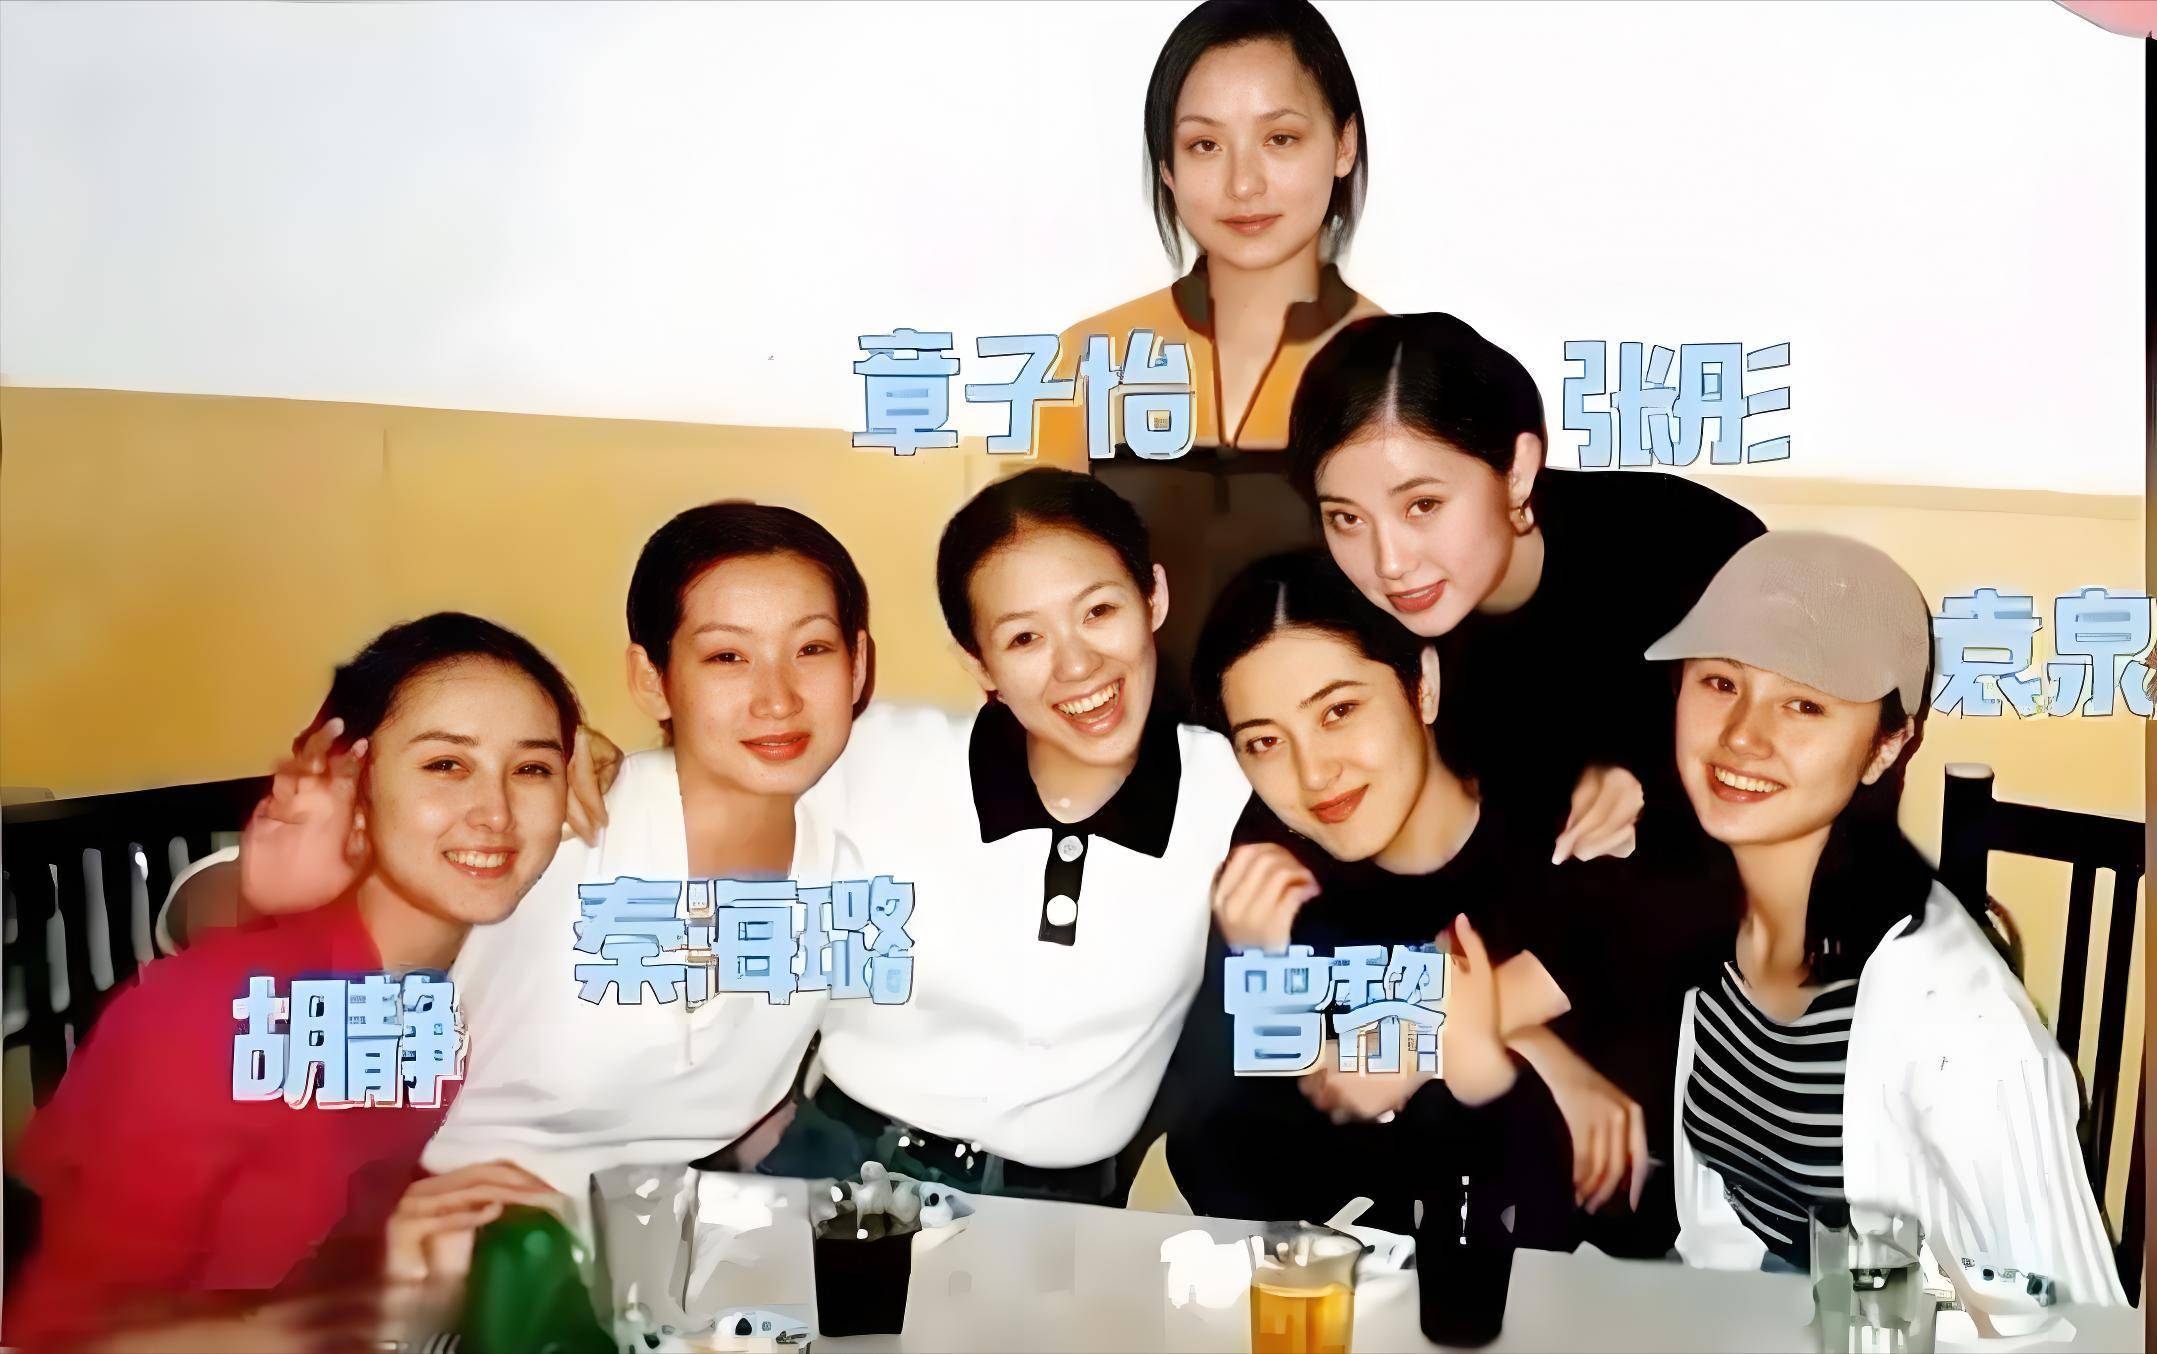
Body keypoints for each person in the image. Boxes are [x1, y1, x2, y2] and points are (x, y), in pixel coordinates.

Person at [1448, 532, 2128, 1313]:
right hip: (1746, 1310)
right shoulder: (1699, 901)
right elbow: (1443, 998)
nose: (1742, 735)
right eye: (1719, 682)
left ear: (1886, 746)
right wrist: (1549, 1057)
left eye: (1803, 703)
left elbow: (2081, 1318)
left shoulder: (1955, 1015)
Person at [7, 614, 586, 1348]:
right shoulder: (213, 1019)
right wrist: (364, 1311)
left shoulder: (472, 997)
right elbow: (67, 1336)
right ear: (352, 787)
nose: (496, 812)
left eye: (532, 769)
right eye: (446, 764)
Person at [1164, 552, 1718, 1248]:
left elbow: (1610, 1212)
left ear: (1421, 686)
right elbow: (1229, 1185)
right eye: (1265, 742)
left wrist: (1438, 1044)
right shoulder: (1272, 889)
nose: (1313, 772)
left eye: (1339, 710)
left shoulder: (1576, 847)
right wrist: (1273, 984)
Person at [756, 469, 1249, 1205]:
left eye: (1099, 610)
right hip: (837, 1168)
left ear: (1153, 597)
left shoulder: (1234, 786)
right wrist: (588, 758)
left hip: (1056, 1213)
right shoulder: (876, 754)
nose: (1077, 665)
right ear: (978, 663)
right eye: (1024, 637)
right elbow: (692, 793)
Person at [421, 503, 875, 1196]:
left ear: (858, 666)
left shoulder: (844, 874)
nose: (778, 700)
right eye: (727, 656)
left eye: (811, 649)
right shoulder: (560, 818)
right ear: (652, 680)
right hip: (420, 1222)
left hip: (661, 1242)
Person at [1286, 311, 1767, 861]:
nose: (1389, 563)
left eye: (1423, 505)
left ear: (1516, 472)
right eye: (1347, 518)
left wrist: (1657, 790)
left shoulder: (1693, 548)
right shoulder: (1340, 630)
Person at [1031, 0, 1384, 708]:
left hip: (1319, 759)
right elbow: (1035, 595)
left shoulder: (1398, 368)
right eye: (1204, 145)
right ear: (1166, 164)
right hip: (1130, 749)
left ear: (1342, 145)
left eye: (1280, 138)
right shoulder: (1089, 358)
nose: (1243, 184)